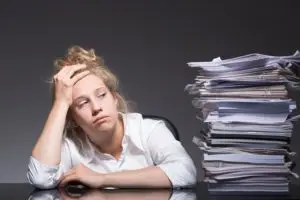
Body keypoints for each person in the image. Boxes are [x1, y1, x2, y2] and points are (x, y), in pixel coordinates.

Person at [26, 45, 197, 189]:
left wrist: (101, 179)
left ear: (115, 98)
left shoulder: (149, 130)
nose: (96, 108)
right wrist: (60, 104)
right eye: (82, 103)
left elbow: (185, 171)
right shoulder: (71, 147)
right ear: (72, 119)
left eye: (101, 95)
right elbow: (41, 177)